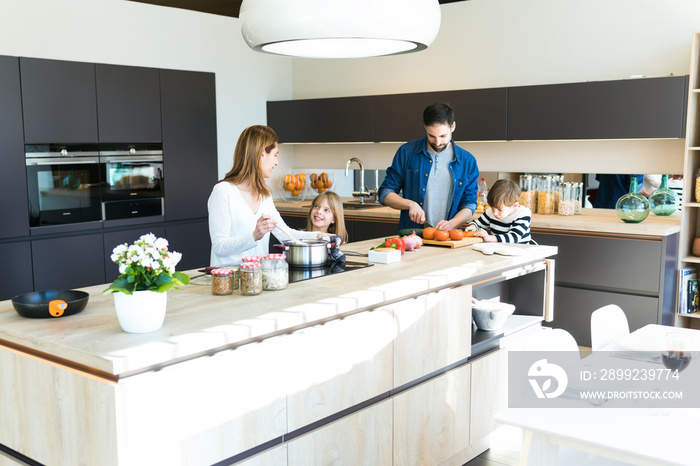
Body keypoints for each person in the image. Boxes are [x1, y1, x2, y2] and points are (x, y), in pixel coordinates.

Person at [208, 125, 325, 266]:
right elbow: (219, 246)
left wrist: (319, 236)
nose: (276, 162)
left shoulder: (265, 195)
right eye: (275, 155)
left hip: (257, 280)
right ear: (261, 154)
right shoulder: (223, 191)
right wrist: (254, 236)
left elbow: (285, 234)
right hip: (229, 282)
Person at [378, 102, 480, 232]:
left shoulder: (467, 161)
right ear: (425, 127)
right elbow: (385, 193)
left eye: (443, 136)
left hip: (448, 236)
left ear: (453, 126)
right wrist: (410, 204)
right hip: (412, 235)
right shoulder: (406, 152)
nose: (437, 142)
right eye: (432, 136)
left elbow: (469, 204)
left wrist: (451, 223)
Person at [466, 179, 532, 244]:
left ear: (514, 205)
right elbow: (478, 223)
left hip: (520, 251)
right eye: (492, 208)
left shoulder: (523, 214)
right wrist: (473, 227)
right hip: (499, 250)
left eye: (500, 210)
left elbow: (513, 237)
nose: (495, 213)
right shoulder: (490, 211)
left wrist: (489, 238)